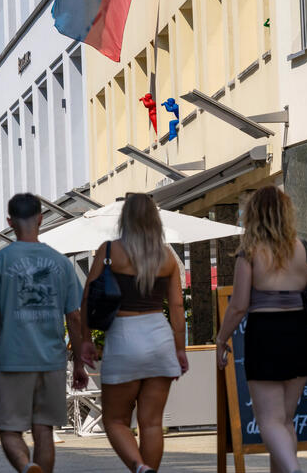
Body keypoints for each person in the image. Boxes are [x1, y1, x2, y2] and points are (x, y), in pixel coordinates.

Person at [215, 186, 307, 473]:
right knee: (285, 420)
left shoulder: (250, 253)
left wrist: (221, 338)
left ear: (255, 215)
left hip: (265, 334)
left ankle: (294, 470)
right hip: (300, 333)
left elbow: (239, 305)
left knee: (269, 420)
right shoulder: (304, 250)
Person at [0, 193, 88, 473]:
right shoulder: (61, 263)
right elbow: (74, 316)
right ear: (40, 218)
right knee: (44, 431)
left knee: (9, 430)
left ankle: (26, 467)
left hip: (13, 361)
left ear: (9, 222)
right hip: (51, 361)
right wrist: (79, 365)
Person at [79, 193, 188, 473]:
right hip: (159, 337)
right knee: (152, 423)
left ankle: (140, 468)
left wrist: (86, 340)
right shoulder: (167, 257)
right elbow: (177, 307)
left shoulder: (109, 251)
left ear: (125, 218)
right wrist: (180, 350)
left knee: (115, 420)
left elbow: (88, 299)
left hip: (123, 338)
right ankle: (146, 469)